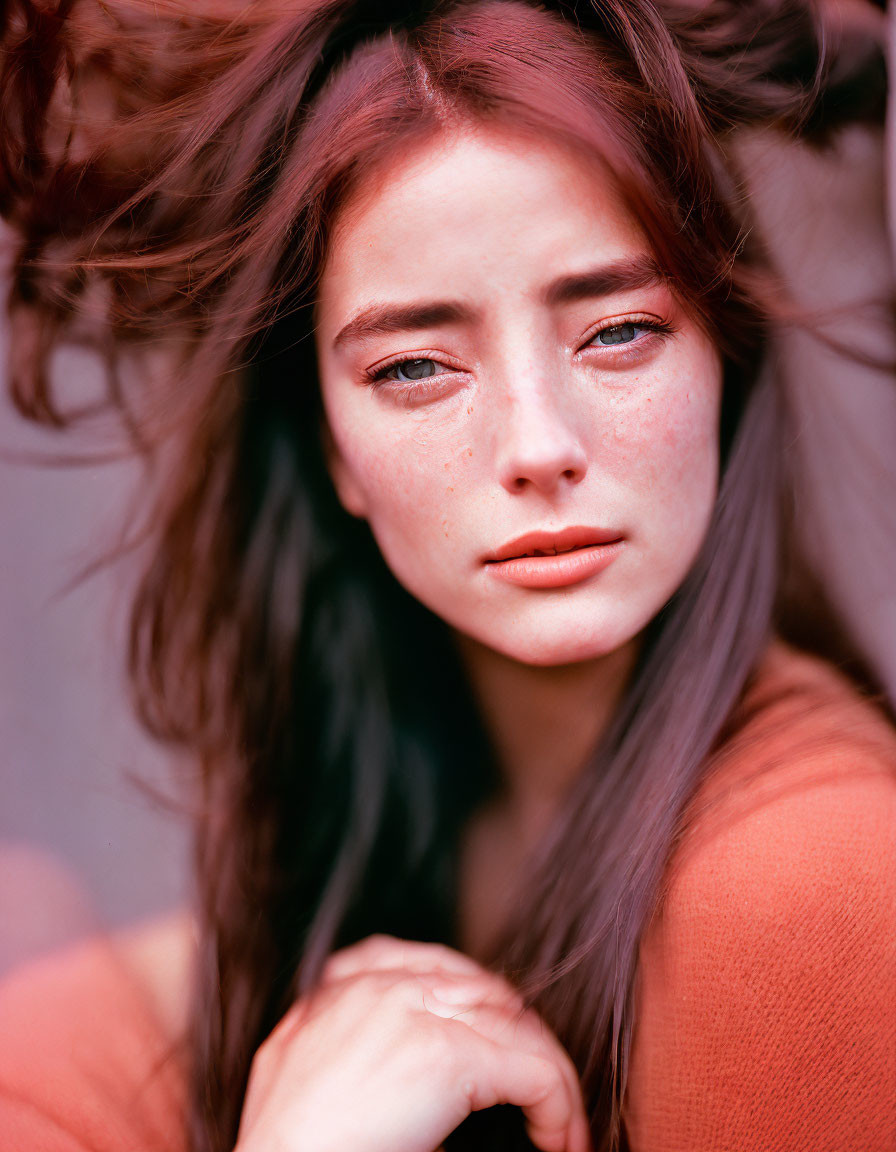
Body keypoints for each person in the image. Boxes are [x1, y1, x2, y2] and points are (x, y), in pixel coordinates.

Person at [1, 0, 894, 1150]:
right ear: (330, 446)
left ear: (723, 352)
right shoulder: (411, 805)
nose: (535, 445)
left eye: (617, 330)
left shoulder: (808, 890)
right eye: (417, 365)